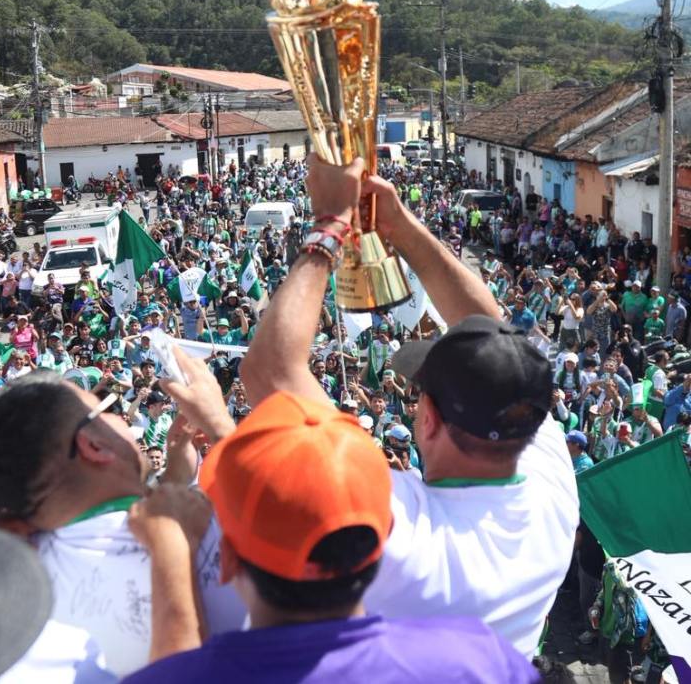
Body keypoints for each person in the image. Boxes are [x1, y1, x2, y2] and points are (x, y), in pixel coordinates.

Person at [237, 155, 579, 659]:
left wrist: (331, 225)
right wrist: (399, 225)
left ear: (428, 419)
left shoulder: (399, 532)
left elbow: (267, 370)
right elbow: (497, 334)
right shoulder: (551, 484)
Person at [124, 357, 538, 684]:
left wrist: (171, 547)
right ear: (382, 544)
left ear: (229, 559)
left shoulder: (168, 674)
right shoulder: (481, 663)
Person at [0, 373, 245, 677]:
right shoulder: (226, 522)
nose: (122, 420)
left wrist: (177, 479)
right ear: (94, 446)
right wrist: (223, 428)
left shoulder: (17, 606)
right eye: (105, 408)